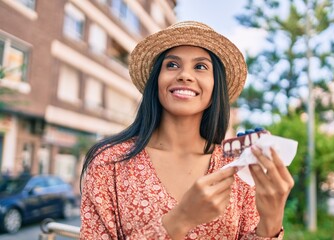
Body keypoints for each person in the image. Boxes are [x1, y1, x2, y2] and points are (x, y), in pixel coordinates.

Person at [80, 21, 294, 239]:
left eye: (200, 67)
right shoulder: (109, 163)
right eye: (172, 65)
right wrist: (181, 218)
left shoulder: (237, 166)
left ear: (215, 88)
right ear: (156, 81)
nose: (185, 75)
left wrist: (271, 221)